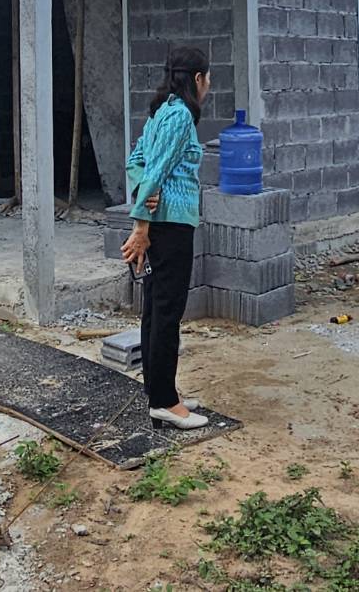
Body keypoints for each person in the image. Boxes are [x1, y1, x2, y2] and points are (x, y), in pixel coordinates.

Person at [122, 47, 210, 431]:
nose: (208, 85)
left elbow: (136, 163)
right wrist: (141, 225)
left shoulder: (161, 112)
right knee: (167, 311)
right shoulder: (180, 115)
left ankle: (159, 389)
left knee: (155, 308)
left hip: (162, 222)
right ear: (197, 78)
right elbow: (155, 168)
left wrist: (143, 190)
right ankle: (164, 401)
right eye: (207, 78)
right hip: (170, 226)